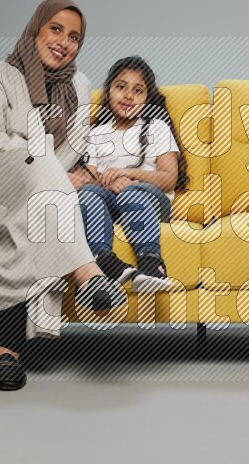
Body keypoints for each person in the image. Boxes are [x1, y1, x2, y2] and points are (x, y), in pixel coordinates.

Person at [0, 0, 125, 392]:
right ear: (36, 28)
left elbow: (71, 148)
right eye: (55, 29)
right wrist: (47, 168)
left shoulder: (79, 85)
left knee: (32, 220)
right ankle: (85, 271)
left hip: (36, 195)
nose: (64, 42)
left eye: (74, 36)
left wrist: (57, 172)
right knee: (40, 166)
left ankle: (7, 353)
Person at [77, 56, 189, 293]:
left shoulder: (157, 128)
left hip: (148, 201)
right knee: (87, 193)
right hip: (110, 201)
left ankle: (152, 264)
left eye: (138, 91)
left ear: (147, 99)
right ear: (108, 92)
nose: (128, 95)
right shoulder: (97, 134)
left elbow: (169, 178)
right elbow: (90, 176)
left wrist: (127, 175)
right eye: (121, 87)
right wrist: (111, 181)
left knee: (131, 192)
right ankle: (103, 258)